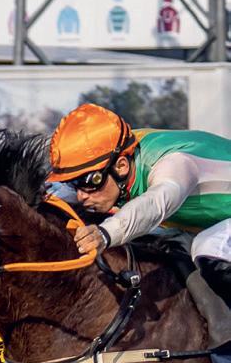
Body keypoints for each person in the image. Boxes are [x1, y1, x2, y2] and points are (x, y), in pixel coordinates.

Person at [48, 103, 231, 300]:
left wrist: (105, 234)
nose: (81, 196)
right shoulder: (113, 155)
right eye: (74, 183)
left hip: (212, 226)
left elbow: (156, 203)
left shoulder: (174, 162)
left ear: (121, 166)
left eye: (89, 182)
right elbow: (55, 193)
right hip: (210, 222)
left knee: (209, 247)